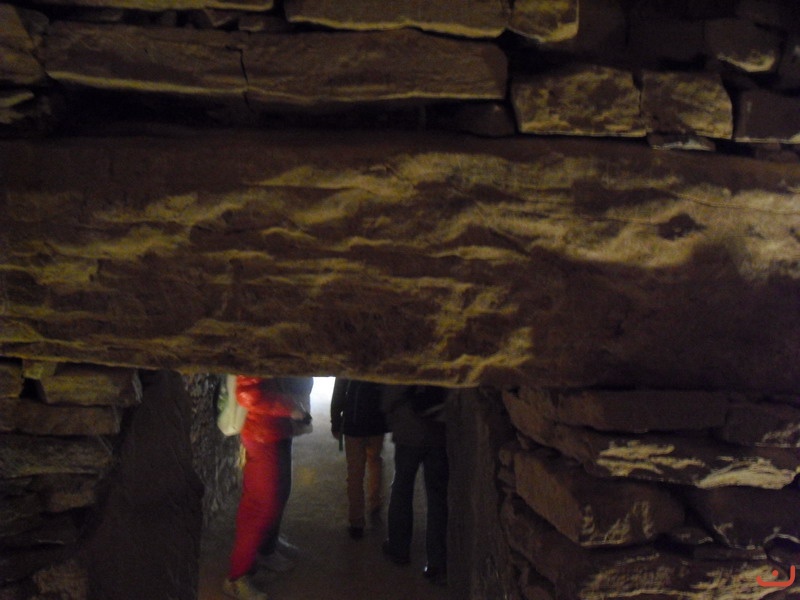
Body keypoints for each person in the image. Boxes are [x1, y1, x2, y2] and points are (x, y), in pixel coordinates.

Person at [223, 376, 313, 600]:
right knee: (260, 506)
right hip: (261, 432)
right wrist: (289, 408)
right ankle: (237, 577)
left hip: (273, 428)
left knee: (275, 496)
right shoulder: (251, 355)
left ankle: (264, 549)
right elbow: (248, 394)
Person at [381, 385, 449, 586]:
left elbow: (389, 398)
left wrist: (394, 417)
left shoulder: (402, 367)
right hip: (437, 433)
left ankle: (399, 548)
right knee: (437, 499)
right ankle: (436, 562)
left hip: (408, 433)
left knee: (402, 490)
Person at [330, 378, 389, 539]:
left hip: (353, 423)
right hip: (376, 423)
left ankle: (356, 521)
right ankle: (375, 502)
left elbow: (339, 392)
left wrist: (336, 422)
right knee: (375, 461)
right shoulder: (378, 365)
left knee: (355, 473)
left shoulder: (349, 365)